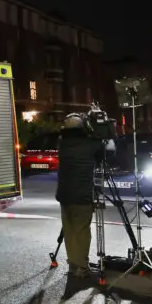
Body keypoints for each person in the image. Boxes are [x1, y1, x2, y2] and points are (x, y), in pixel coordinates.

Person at [55, 113, 106, 279]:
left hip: (64, 194)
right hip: (82, 194)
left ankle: (73, 264)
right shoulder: (91, 144)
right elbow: (106, 153)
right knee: (82, 230)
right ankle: (82, 267)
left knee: (69, 230)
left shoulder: (62, 143)